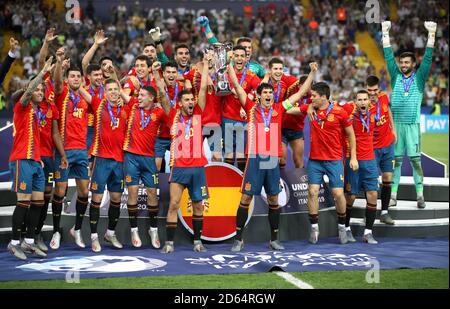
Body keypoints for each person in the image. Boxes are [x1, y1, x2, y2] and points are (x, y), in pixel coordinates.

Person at [227, 59, 318, 252]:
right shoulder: (250, 108)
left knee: (273, 200)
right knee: (245, 199)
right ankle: (238, 239)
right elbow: (236, 85)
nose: (269, 95)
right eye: (265, 93)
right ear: (258, 96)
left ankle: (274, 239)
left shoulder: (279, 108)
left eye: (270, 92)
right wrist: (229, 65)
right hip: (254, 159)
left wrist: (311, 73)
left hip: (272, 161)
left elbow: (301, 93)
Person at [7, 57, 67, 260]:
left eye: (42, 90)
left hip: (35, 161)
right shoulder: (22, 107)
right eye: (37, 90)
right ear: (29, 92)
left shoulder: (38, 111)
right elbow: (26, 93)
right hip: (21, 159)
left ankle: (29, 241)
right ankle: (14, 243)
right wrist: (42, 73)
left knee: (38, 202)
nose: (40, 93)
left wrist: (39, 158)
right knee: (23, 202)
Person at [381, 20, 437, 209]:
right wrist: (385, 32)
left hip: (412, 127)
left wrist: (431, 35)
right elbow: (388, 57)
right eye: (401, 62)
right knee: (396, 162)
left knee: (415, 161)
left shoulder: (419, 79)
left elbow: (428, 59)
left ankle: (420, 195)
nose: (403, 64)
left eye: (407, 62)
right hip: (395, 126)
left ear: (413, 64)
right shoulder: (395, 76)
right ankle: (394, 195)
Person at [159, 54, 210, 254]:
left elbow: (203, 88)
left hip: (197, 167)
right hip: (179, 167)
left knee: (198, 205)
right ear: (180, 103)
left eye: (192, 99)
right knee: (173, 204)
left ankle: (198, 241)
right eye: (187, 99)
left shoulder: (198, 113)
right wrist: (156, 73)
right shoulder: (172, 115)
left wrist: (205, 66)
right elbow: (163, 95)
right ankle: (169, 243)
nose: (190, 102)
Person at [304, 82, 358, 245]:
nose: (311, 98)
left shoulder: (339, 112)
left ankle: (342, 226)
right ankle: (314, 228)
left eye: (314, 96)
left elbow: (351, 134)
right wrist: (306, 108)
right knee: (312, 192)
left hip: (334, 160)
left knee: (338, 194)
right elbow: (289, 109)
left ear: (323, 97)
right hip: (315, 160)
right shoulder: (311, 108)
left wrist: (353, 157)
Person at [79, 77, 128, 252]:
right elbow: (81, 89)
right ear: (105, 92)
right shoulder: (99, 105)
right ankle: (93, 237)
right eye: (110, 90)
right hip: (101, 159)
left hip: (119, 161)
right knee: (97, 200)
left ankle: (110, 233)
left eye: (116, 89)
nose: (114, 92)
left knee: (116, 199)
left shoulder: (126, 109)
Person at [121, 61, 167, 249]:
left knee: (152, 196)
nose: (137, 97)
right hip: (131, 157)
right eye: (138, 94)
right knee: (132, 193)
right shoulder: (132, 106)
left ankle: (153, 229)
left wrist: (156, 74)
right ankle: (133, 230)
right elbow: (119, 91)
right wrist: (120, 77)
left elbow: (164, 98)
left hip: (149, 159)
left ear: (151, 98)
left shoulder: (159, 112)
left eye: (141, 95)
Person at [50, 49, 91, 250]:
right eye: (72, 76)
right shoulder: (62, 93)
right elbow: (57, 81)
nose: (75, 78)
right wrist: (59, 63)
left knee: (84, 193)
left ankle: (77, 229)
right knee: (60, 190)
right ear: (67, 79)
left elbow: (98, 104)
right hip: (63, 152)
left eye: (78, 76)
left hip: (82, 151)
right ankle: (57, 230)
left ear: (82, 80)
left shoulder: (85, 98)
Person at [343, 90, 380, 244]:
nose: (363, 102)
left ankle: (368, 232)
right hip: (353, 161)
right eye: (360, 100)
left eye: (365, 99)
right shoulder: (348, 112)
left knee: (372, 194)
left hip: (370, 161)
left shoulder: (373, 113)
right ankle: (346, 229)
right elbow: (331, 105)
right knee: (350, 196)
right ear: (355, 101)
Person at [222, 45, 260, 172]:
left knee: (242, 157)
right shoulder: (225, 73)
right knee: (228, 156)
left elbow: (259, 91)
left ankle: (242, 184)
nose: (239, 58)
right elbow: (218, 86)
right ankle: (227, 185)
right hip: (227, 118)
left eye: (242, 56)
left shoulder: (252, 76)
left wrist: (248, 98)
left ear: (246, 59)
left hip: (244, 120)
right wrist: (232, 89)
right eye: (236, 56)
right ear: (232, 58)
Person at [366, 75, 396, 224]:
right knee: (371, 182)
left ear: (379, 89)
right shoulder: (362, 104)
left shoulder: (384, 97)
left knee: (387, 178)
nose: (372, 93)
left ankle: (384, 212)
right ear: (366, 88)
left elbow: (388, 111)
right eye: (369, 90)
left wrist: (394, 129)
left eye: (375, 90)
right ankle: (369, 211)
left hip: (388, 145)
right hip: (372, 148)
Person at [197, 16, 266, 78]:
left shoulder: (257, 67)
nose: (247, 50)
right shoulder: (227, 63)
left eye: (249, 47)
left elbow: (268, 78)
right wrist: (206, 28)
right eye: (244, 47)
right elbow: (215, 44)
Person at [154, 61, 188, 173]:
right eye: (168, 72)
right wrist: (155, 105)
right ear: (163, 73)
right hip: (161, 134)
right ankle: (156, 189)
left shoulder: (183, 88)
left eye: (174, 72)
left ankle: (175, 186)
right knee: (156, 166)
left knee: (177, 166)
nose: (171, 75)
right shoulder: (156, 88)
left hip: (177, 134)